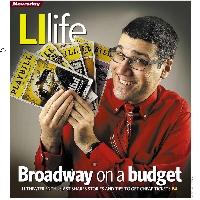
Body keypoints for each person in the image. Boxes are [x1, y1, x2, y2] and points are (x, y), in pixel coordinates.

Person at [35, 16, 190, 197]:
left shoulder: (178, 114)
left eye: (138, 60)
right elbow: (51, 179)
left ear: (165, 68)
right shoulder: (85, 94)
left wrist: (91, 145)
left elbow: (155, 191)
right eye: (120, 55)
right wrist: (49, 138)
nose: (121, 69)